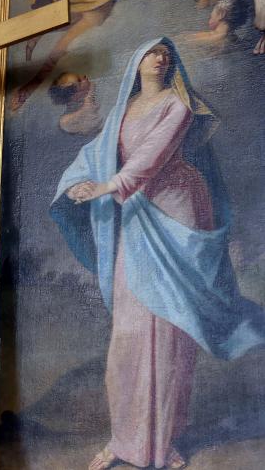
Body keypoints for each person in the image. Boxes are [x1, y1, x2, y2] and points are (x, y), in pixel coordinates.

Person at [50, 38, 265, 469]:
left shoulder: (178, 104)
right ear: (137, 61)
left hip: (176, 212)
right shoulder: (123, 109)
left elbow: (153, 156)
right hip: (136, 215)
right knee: (127, 334)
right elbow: (96, 153)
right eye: (152, 52)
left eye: (165, 53)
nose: (161, 57)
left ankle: (162, 441)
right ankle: (123, 439)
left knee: (169, 334)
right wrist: (76, 183)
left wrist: (108, 186)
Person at [11, 0, 172, 110]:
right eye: (80, 80)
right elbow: (56, 53)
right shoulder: (95, 16)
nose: (84, 78)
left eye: (78, 79)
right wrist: (30, 87)